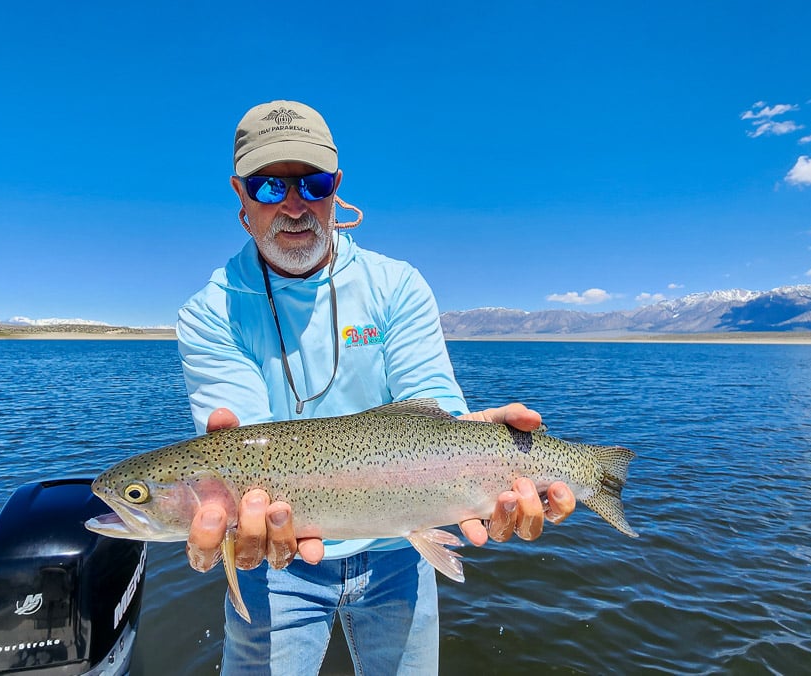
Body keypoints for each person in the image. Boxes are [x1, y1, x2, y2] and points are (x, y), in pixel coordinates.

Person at [174, 100, 576, 675]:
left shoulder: (398, 285)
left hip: (402, 552)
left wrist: (479, 458)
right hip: (272, 559)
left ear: (336, 188)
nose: (294, 204)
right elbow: (243, 446)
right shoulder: (211, 312)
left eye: (312, 183)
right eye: (269, 188)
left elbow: (432, 407)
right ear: (240, 197)